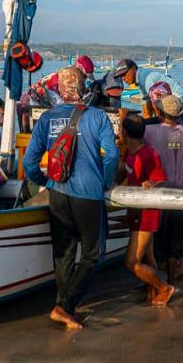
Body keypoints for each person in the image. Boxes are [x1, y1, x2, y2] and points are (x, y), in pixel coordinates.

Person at [23, 67, 119, 330]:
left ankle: (65, 305)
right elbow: (111, 156)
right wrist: (106, 182)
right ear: (83, 87)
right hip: (88, 193)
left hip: (58, 193)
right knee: (93, 253)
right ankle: (64, 307)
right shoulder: (98, 117)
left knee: (63, 253)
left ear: (60, 90)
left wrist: (45, 182)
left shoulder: (47, 118)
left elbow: (29, 162)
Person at [118, 113, 176, 306]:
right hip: (135, 210)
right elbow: (129, 177)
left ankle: (163, 287)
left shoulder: (148, 154)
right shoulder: (130, 153)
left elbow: (162, 178)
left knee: (131, 262)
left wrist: (152, 182)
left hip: (147, 213)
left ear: (125, 133)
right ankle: (152, 292)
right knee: (148, 256)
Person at [144, 94, 183, 283]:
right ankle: (172, 280)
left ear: (159, 111)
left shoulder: (149, 131)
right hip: (181, 194)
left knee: (158, 241)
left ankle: (156, 283)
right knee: (175, 241)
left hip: (159, 192)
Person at [115, 59, 183, 129]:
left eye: (124, 74)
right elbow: (146, 108)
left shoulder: (147, 78)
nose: (123, 78)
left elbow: (157, 107)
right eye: (121, 76)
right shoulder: (140, 82)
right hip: (180, 106)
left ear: (133, 68)